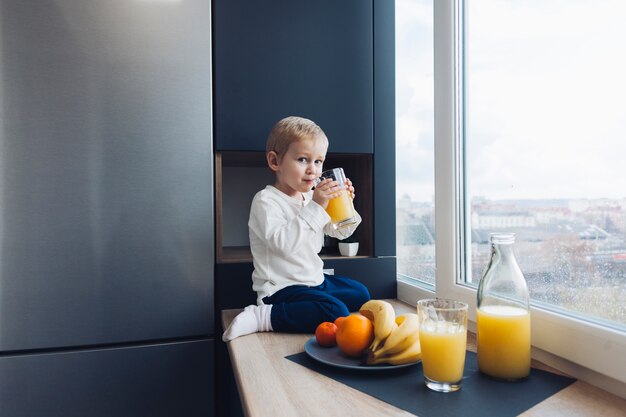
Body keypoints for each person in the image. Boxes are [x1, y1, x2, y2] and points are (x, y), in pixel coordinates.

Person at [222, 116, 370, 341]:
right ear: (275, 162)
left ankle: (313, 303)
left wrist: (347, 206)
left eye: (319, 161)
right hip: (282, 289)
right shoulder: (266, 201)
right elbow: (283, 245)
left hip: (314, 281)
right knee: (336, 312)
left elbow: (339, 231)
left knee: (361, 293)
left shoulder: (311, 198)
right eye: (303, 159)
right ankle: (262, 316)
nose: (313, 170)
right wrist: (316, 206)